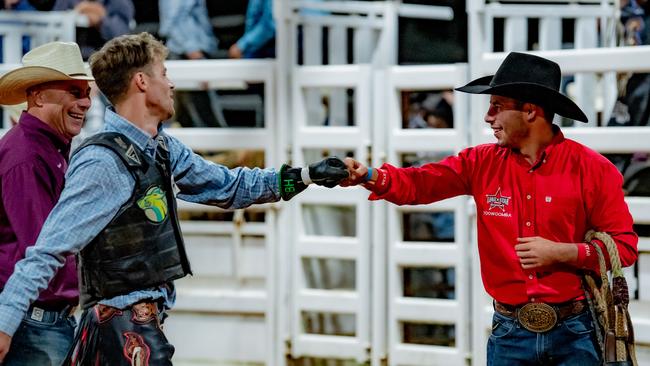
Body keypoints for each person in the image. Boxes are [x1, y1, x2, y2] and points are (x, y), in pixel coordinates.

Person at [0, 32, 348, 365]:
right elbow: (47, 248)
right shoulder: (101, 162)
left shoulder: (160, 148)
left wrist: (303, 176)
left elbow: (227, 186)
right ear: (141, 82)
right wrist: (4, 324)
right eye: (163, 73)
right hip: (118, 330)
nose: (170, 83)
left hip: (127, 327)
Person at [340, 52, 639, 365]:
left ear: (530, 111)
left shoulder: (593, 169)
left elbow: (624, 247)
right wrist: (371, 176)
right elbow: (418, 184)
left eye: (497, 105)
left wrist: (563, 252)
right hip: (513, 330)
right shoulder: (479, 163)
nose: (488, 116)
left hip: (575, 332)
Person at [0, 41, 93, 365]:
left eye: (87, 93)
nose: (85, 103)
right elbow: (43, 247)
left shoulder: (44, 150)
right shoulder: (28, 156)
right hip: (35, 322)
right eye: (74, 91)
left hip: (40, 319)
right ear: (38, 96)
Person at [52, 0, 135, 59]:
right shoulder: (66, 2)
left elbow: (124, 35)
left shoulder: (119, 3)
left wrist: (101, 20)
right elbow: (52, 23)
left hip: (106, 59)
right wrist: (74, 14)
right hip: (70, 56)